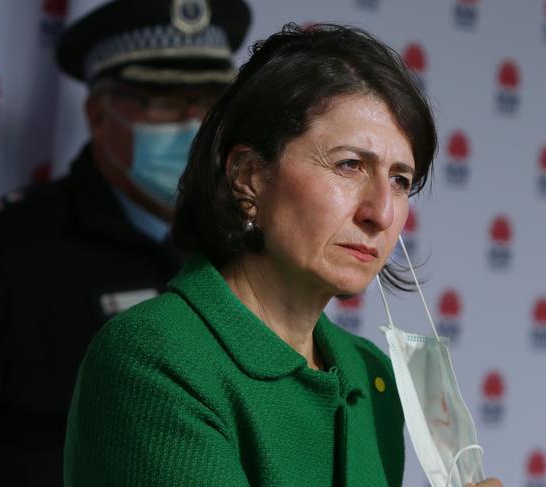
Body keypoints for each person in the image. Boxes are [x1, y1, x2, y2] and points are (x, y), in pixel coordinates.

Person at [64, 23, 503, 487]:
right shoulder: (156, 357)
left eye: (399, 179)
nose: (380, 211)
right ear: (249, 177)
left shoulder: (369, 371)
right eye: (350, 165)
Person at [0, 0, 251, 485]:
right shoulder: (0, 257)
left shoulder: (249, 252)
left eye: (211, 102)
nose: (194, 125)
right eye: (163, 101)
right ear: (98, 115)